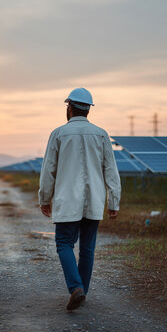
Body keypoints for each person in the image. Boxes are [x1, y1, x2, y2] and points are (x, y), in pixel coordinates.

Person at [38, 87, 121, 310]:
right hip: (94, 200)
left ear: (70, 108)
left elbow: (49, 171)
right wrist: (114, 201)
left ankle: (76, 288)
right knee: (87, 248)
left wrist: (44, 198)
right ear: (88, 110)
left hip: (67, 201)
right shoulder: (102, 134)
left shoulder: (58, 134)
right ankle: (81, 290)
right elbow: (111, 170)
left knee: (64, 243)